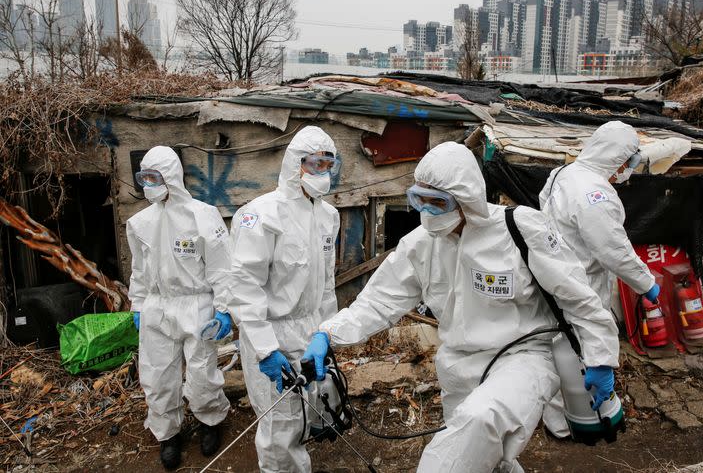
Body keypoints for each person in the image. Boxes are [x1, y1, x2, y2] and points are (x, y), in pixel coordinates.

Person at [302, 142, 619, 473]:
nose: (427, 212)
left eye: (438, 203)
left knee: (475, 430)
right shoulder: (420, 246)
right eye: (419, 199)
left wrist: (601, 357)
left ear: (467, 198)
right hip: (457, 368)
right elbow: (378, 301)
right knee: (486, 460)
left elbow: (578, 296)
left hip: (523, 358)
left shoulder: (521, 229)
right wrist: (328, 333)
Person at [227, 126, 340, 473]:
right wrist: (265, 349)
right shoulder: (261, 215)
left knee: (314, 406)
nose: (321, 172)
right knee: (280, 426)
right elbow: (244, 287)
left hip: (310, 329)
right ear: (295, 164)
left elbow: (326, 285)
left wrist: (327, 334)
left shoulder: (328, 216)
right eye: (313, 164)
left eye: (327, 165)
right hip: (272, 332)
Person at [127, 146, 232, 470]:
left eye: (153, 176)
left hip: (196, 305)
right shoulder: (140, 222)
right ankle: (168, 435)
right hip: (157, 306)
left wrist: (224, 308)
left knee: (202, 376)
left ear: (171, 176)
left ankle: (210, 421)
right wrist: (138, 304)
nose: (148, 183)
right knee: (157, 377)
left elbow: (222, 267)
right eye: (143, 177)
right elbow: (140, 270)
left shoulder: (203, 215)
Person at [538, 120, 659, 312]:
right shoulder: (596, 195)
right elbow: (613, 250)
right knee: (590, 340)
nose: (629, 170)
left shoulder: (562, 172)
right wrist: (646, 283)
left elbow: (543, 205)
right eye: (630, 162)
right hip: (583, 287)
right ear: (617, 159)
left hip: (554, 274)